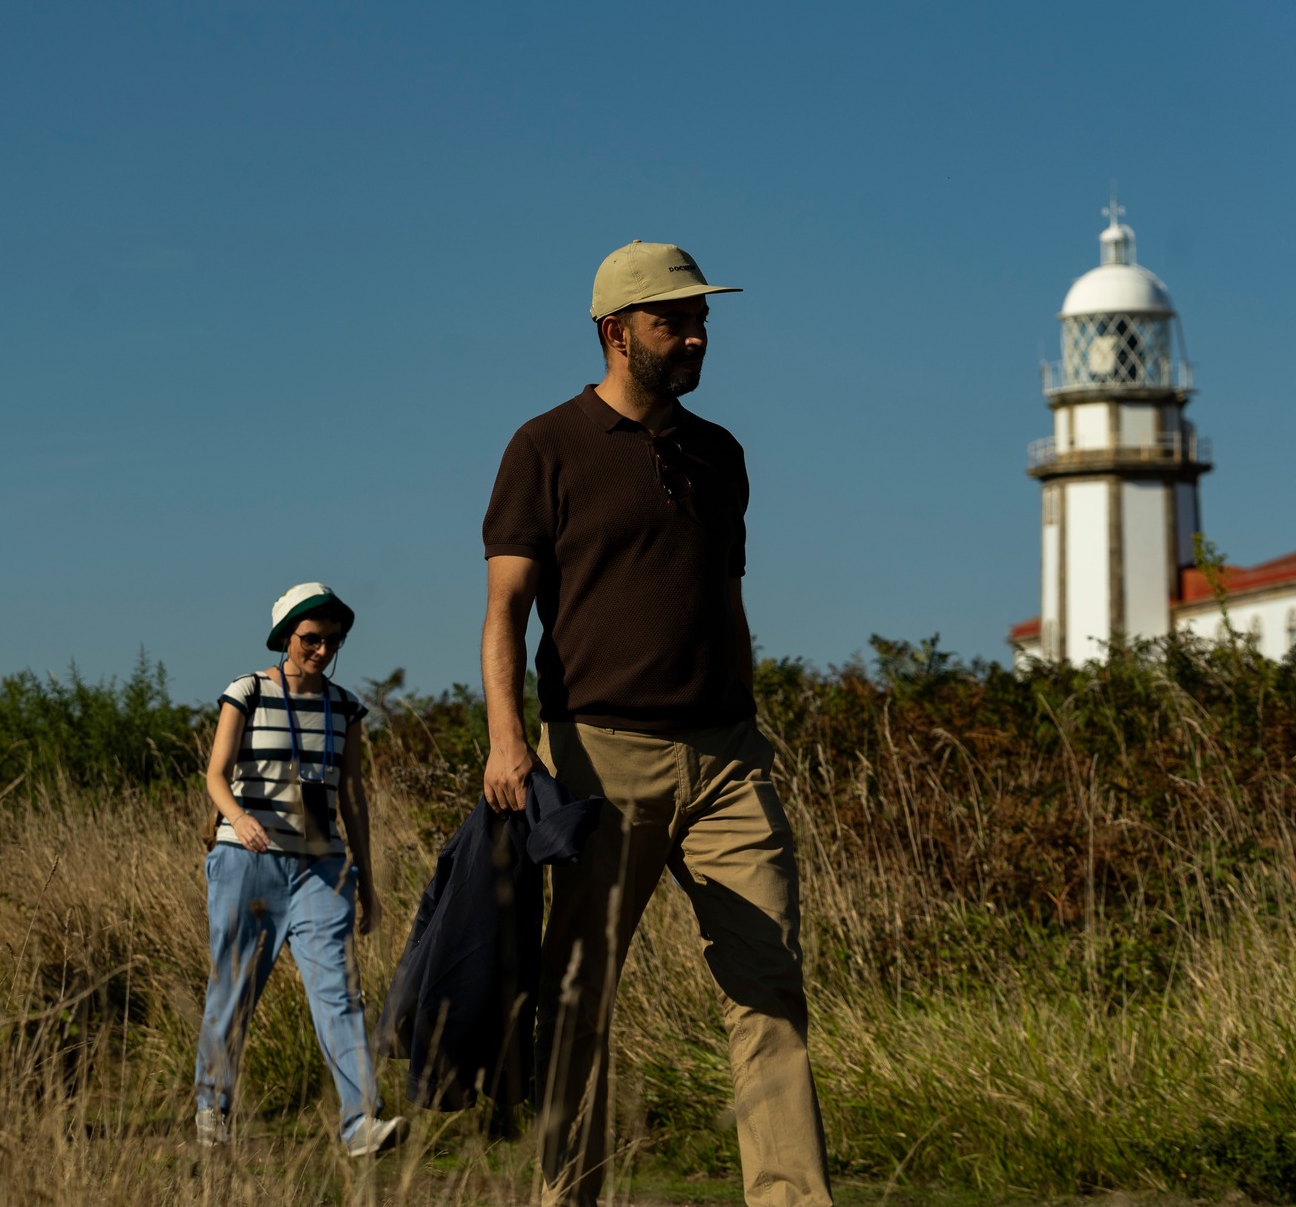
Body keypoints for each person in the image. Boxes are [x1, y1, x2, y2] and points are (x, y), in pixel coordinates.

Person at [480, 241, 833, 1207]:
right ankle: (571, 1197)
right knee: (579, 996)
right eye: (673, 319)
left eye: (702, 317)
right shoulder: (544, 446)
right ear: (614, 331)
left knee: (769, 988)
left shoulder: (722, 454)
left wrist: (750, 726)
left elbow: (729, 600)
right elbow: (505, 611)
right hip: (598, 757)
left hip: (728, 759)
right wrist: (510, 741)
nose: (695, 333)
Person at [193, 583, 406, 1157]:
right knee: (233, 988)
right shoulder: (248, 691)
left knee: (339, 993)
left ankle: (361, 1122)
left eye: (333, 640)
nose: (322, 649)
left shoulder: (345, 706)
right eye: (311, 638)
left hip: (322, 868)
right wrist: (239, 819)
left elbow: (354, 797)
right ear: (286, 636)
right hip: (248, 861)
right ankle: (212, 1107)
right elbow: (215, 774)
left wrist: (366, 884)